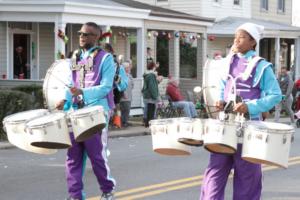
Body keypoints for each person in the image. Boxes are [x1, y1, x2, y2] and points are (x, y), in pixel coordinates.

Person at [200, 23, 282, 200]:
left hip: (250, 128)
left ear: (253, 42)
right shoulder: (227, 62)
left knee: (247, 177)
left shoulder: (262, 66)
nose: (236, 40)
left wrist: (250, 106)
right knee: (215, 172)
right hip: (225, 124)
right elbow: (223, 87)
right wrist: (220, 100)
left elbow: (276, 95)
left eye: (242, 36)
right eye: (235, 36)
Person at [56, 22, 116, 200]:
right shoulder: (74, 57)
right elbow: (71, 83)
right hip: (75, 113)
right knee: (72, 157)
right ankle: (75, 195)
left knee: (96, 156)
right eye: (80, 33)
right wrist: (65, 100)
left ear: (96, 37)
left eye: (86, 34)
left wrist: (83, 92)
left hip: (96, 113)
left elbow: (106, 87)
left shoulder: (106, 59)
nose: (81, 36)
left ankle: (107, 190)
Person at [142, 61, 159, 127]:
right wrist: (155, 96)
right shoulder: (151, 75)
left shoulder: (147, 74)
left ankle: (147, 123)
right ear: (153, 67)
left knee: (148, 109)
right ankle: (150, 124)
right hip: (151, 96)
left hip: (147, 95)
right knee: (151, 110)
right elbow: (152, 87)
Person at [120, 60, 134, 127]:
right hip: (124, 96)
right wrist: (123, 93)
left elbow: (132, 84)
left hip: (129, 95)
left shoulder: (129, 75)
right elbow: (121, 86)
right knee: (124, 109)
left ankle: (126, 121)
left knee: (127, 109)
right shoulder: (122, 76)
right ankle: (123, 122)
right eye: (128, 67)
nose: (129, 68)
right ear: (124, 68)